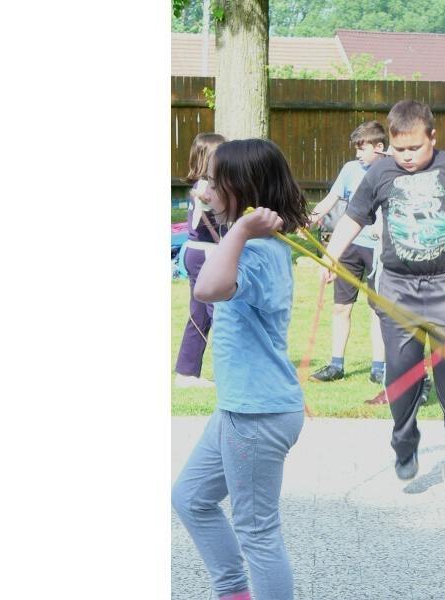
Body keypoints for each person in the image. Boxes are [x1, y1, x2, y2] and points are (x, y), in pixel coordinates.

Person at [323, 100, 445, 486]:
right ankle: (404, 442)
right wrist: (331, 255)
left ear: (433, 137)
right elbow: (354, 217)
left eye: (415, 148)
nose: (406, 156)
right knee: (401, 372)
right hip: (398, 289)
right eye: (399, 149)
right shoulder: (380, 172)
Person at [171, 139, 309, 600]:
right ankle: (234, 592)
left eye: (215, 181)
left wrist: (242, 229)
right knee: (190, 498)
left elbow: (207, 288)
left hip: (257, 414)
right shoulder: (250, 245)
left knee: (257, 531)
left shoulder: (259, 251)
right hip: (241, 408)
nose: (206, 190)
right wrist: (239, 229)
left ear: (243, 189)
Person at [309, 122, 388, 384]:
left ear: (379, 147)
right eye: (356, 149)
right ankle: (336, 365)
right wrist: (310, 219)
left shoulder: (391, 169)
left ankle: (379, 367)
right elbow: (330, 200)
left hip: (379, 249)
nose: (357, 154)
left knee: (377, 310)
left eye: (362, 148)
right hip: (349, 247)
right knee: (341, 307)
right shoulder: (350, 169)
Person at [174, 132, 226, 388]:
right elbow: (208, 200)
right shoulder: (206, 187)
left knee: (201, 314)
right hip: (205, 255)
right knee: (221, 315)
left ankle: (186, 372)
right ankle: (229, 370)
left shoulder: (204, 185)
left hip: (198, 254)